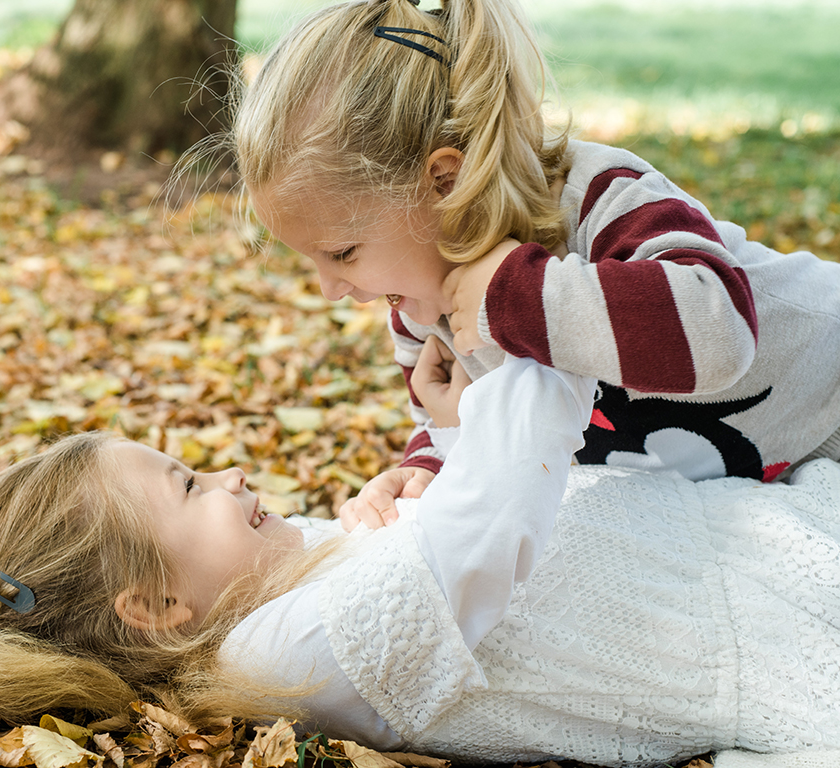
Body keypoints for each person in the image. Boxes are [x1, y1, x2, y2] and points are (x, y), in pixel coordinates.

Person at [0, 354, 840, 768]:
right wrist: (529, 359)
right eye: (187, 488)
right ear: (159, 605)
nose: (230, 474)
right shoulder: (282, 654)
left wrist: (447, 434)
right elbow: (486, 534)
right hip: (759, 620)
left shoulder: (283, 582)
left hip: (743, 535)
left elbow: (473, 524)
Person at [230, 0, 840, 530]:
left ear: (444, 182)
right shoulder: (421, 312)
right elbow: (468, 429)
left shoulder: (594, 198)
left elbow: (717, 329)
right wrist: (428, 464)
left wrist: (513, 299)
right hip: (774, 475)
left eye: (341, 253)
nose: (330, 289)